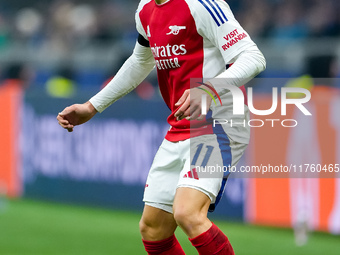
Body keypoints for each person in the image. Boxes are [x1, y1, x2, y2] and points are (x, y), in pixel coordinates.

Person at [57, 0, 266, 254]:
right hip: (180, 125)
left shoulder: (202, 5)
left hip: (218, 121)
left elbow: (253, 57)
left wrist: (210, 90)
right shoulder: (145, 9)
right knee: (153, 228)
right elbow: (139, 62)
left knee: (187, 213)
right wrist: (92, 106)